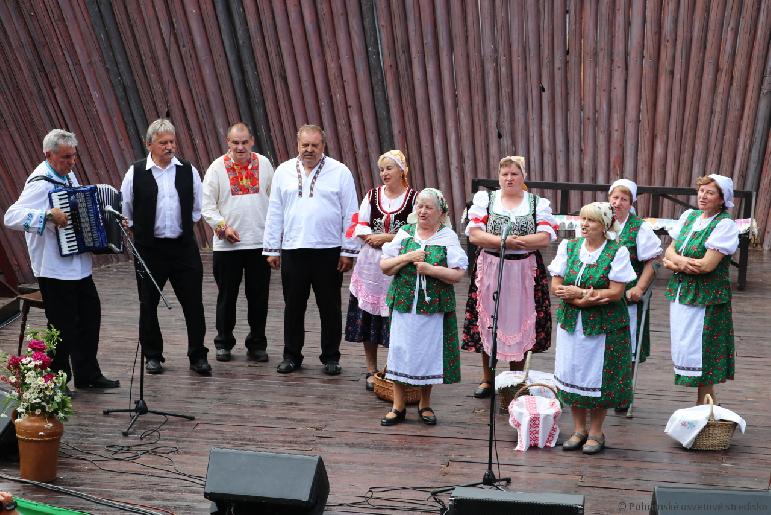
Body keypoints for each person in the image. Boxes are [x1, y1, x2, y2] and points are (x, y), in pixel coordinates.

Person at [4, 129, 119, 391]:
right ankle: (57, 379)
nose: (72, 162)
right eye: (66, 157)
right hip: (53, 268)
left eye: (73, 156)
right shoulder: (40, 182)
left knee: (90, 317)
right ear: (49, 155)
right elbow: (11, 217)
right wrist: (46, 215)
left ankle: (88, 373)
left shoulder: (67, 175)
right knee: (62, 326)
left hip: (78, 265)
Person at [263, 124, 360, 376]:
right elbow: (275, 212)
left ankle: (331, 357)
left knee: (329, 306)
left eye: (314, 145)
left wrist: (348, 251)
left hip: (328, 250)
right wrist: (272, 248)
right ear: (297, 145)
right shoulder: (283, 171)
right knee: (293, 305)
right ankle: (291, 356)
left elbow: (351, 214)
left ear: (323, 146)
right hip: (293, 249)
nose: (309, 150)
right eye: (305, 145)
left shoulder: (340, 172)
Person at [120, 119, 211, 375]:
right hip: (150, 249)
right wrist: (144, 232)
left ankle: (198, 356)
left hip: (183, 248)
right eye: (163, 142)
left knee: (193, 303)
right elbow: (126, 210)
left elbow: (196, 209)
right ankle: (153, 355)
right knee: (148, 303)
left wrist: (181, 229)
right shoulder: (136, 172)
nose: (169, 146)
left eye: (171, 141)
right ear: (150, 145)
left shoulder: (187, 170)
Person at [462, 156, 556, 399]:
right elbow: (474, 235)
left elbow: (545, 237)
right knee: (488, 319)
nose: (509, 178)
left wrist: (516, 243)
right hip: (491, 266)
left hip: (524, 269)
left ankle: (515, 379)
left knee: (519, 321)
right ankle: (488, 379)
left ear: (523, 177)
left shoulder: (536, 203)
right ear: (499, 177)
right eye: (504, 174)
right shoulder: (487, 200)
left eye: (514, 174)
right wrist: (504, 242)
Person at [549, 202, 636, 454]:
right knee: (574, 372)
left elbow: (617, 292)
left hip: (603, 325)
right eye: (582, 219)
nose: (584, 224)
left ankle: (596, 431)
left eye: (592, 220)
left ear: (605, 226)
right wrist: (578, 299)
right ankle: (578, 429)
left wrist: (581, 293)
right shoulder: (569, 247)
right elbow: (556, 286)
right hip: (572, 323)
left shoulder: (616, 251)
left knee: (598, 376)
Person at [379, 188, 468, 426]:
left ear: (441, 213)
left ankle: (424, 404)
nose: (422, 211)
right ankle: (398, 406)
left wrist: (432, 270)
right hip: (404, 304)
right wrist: (407, 258)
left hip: (432, 307)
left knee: (427, 354)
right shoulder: (405, 233)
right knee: (399, 351)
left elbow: (457, 274)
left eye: (429, 207)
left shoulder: (447, 237)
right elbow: (385, 267)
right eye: (419, 206)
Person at [662, 175, 738, 405]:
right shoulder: (690, 216)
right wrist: (682, 263)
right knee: (687, 347)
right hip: (682, 294)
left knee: (704, 349)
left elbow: (706, 265)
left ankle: (706, 406)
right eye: (701, 191)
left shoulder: (724, 224)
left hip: (707, 299)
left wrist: (676, 264)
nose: (703, 196)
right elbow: (668, 252)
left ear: (722, 199)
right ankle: (703, 408)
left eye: (710, 193)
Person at [202, 123, 275, 363]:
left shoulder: (264, 164)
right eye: (236, 142)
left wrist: (274, 238)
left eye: (244, 142)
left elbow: (274, 200)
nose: (240, 147)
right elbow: (207, 206)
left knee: (258, 297)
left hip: (258, 242)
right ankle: (223, 342)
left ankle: (257, 344)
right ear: (228, 142)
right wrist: (223, 227)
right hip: (227, 245)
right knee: (227, 296)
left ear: (252, 141)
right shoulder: (216, 168)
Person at [345, 150, 416, 391]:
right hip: (370, 264)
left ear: (402, 171)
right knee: (369, 317)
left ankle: (393, 369)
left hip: (399, 265)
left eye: (389, 168)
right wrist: (369, 236)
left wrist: (387, 237)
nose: (385, 173)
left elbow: (417, 230)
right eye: (382, 169)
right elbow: (360, 223)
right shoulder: (372, 196)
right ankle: (371, 369)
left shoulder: (414, 199)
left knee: (396, 318)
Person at [607, 179, 662, 410]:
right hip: (600, 292)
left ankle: (623, 390)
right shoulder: (602, 220)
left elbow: (652, 261)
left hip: (628, 295)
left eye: (624, 199)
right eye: (614, 197)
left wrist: (639, 288)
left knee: (626, 343)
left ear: (631, 203)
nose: (618, 203)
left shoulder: (639, 228)